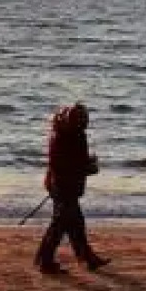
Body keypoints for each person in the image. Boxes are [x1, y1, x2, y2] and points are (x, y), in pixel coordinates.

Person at [36, 103, 109, 274]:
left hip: (63, 186)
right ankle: (45, 261)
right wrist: (90, 167)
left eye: (85, 118)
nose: (85, 122)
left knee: (74, 224)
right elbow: (66, 165)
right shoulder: (68, 136)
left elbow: (63, 162)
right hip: (65, 187)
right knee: (60, 226)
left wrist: (86, 163)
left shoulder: (67, 133)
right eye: (82, 119)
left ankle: (87, 258)